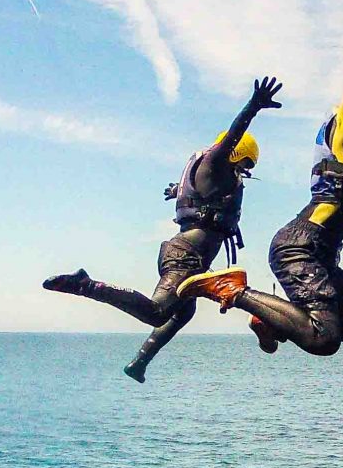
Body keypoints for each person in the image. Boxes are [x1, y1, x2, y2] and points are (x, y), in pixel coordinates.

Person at [181, 0, 343, 357]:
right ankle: (232, 290)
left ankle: (269, 317)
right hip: (300, 246)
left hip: (323, 255)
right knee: (324, 340)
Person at [43, 76, 283, 381]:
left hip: (188, 254)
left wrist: (176, 192)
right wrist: (254, 107)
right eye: (244, 165)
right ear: (236, 154)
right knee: (156, 311)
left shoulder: (208, 176)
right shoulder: (216, 161)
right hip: (186, 255)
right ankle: (86, 285)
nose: (243, 174)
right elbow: (232, 136)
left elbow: (195, 194)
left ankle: (139, 362)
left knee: (184, 312)